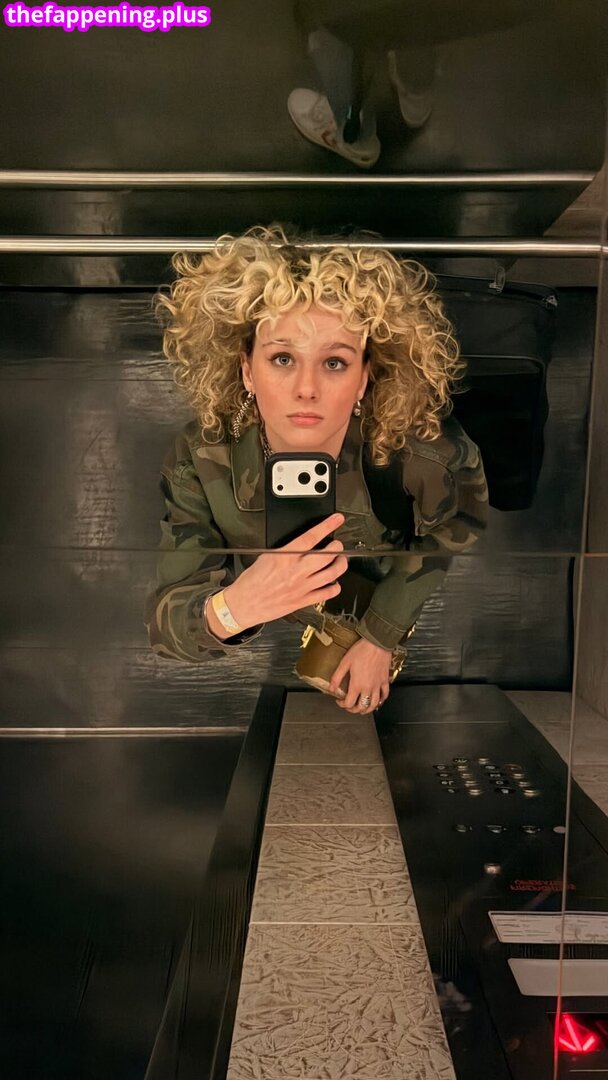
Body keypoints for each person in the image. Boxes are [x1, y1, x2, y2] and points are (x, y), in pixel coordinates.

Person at [144, 224, 489, 715]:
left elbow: (457, 525)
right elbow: (166, 624)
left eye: (334, 363)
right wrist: (235, 608)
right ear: (247, 369)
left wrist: (380, 636)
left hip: (377, 599)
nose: (306, 388)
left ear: (364, 376)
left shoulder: (418, 447)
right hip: (281, 627)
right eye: (283, 358)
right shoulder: (201, 457)